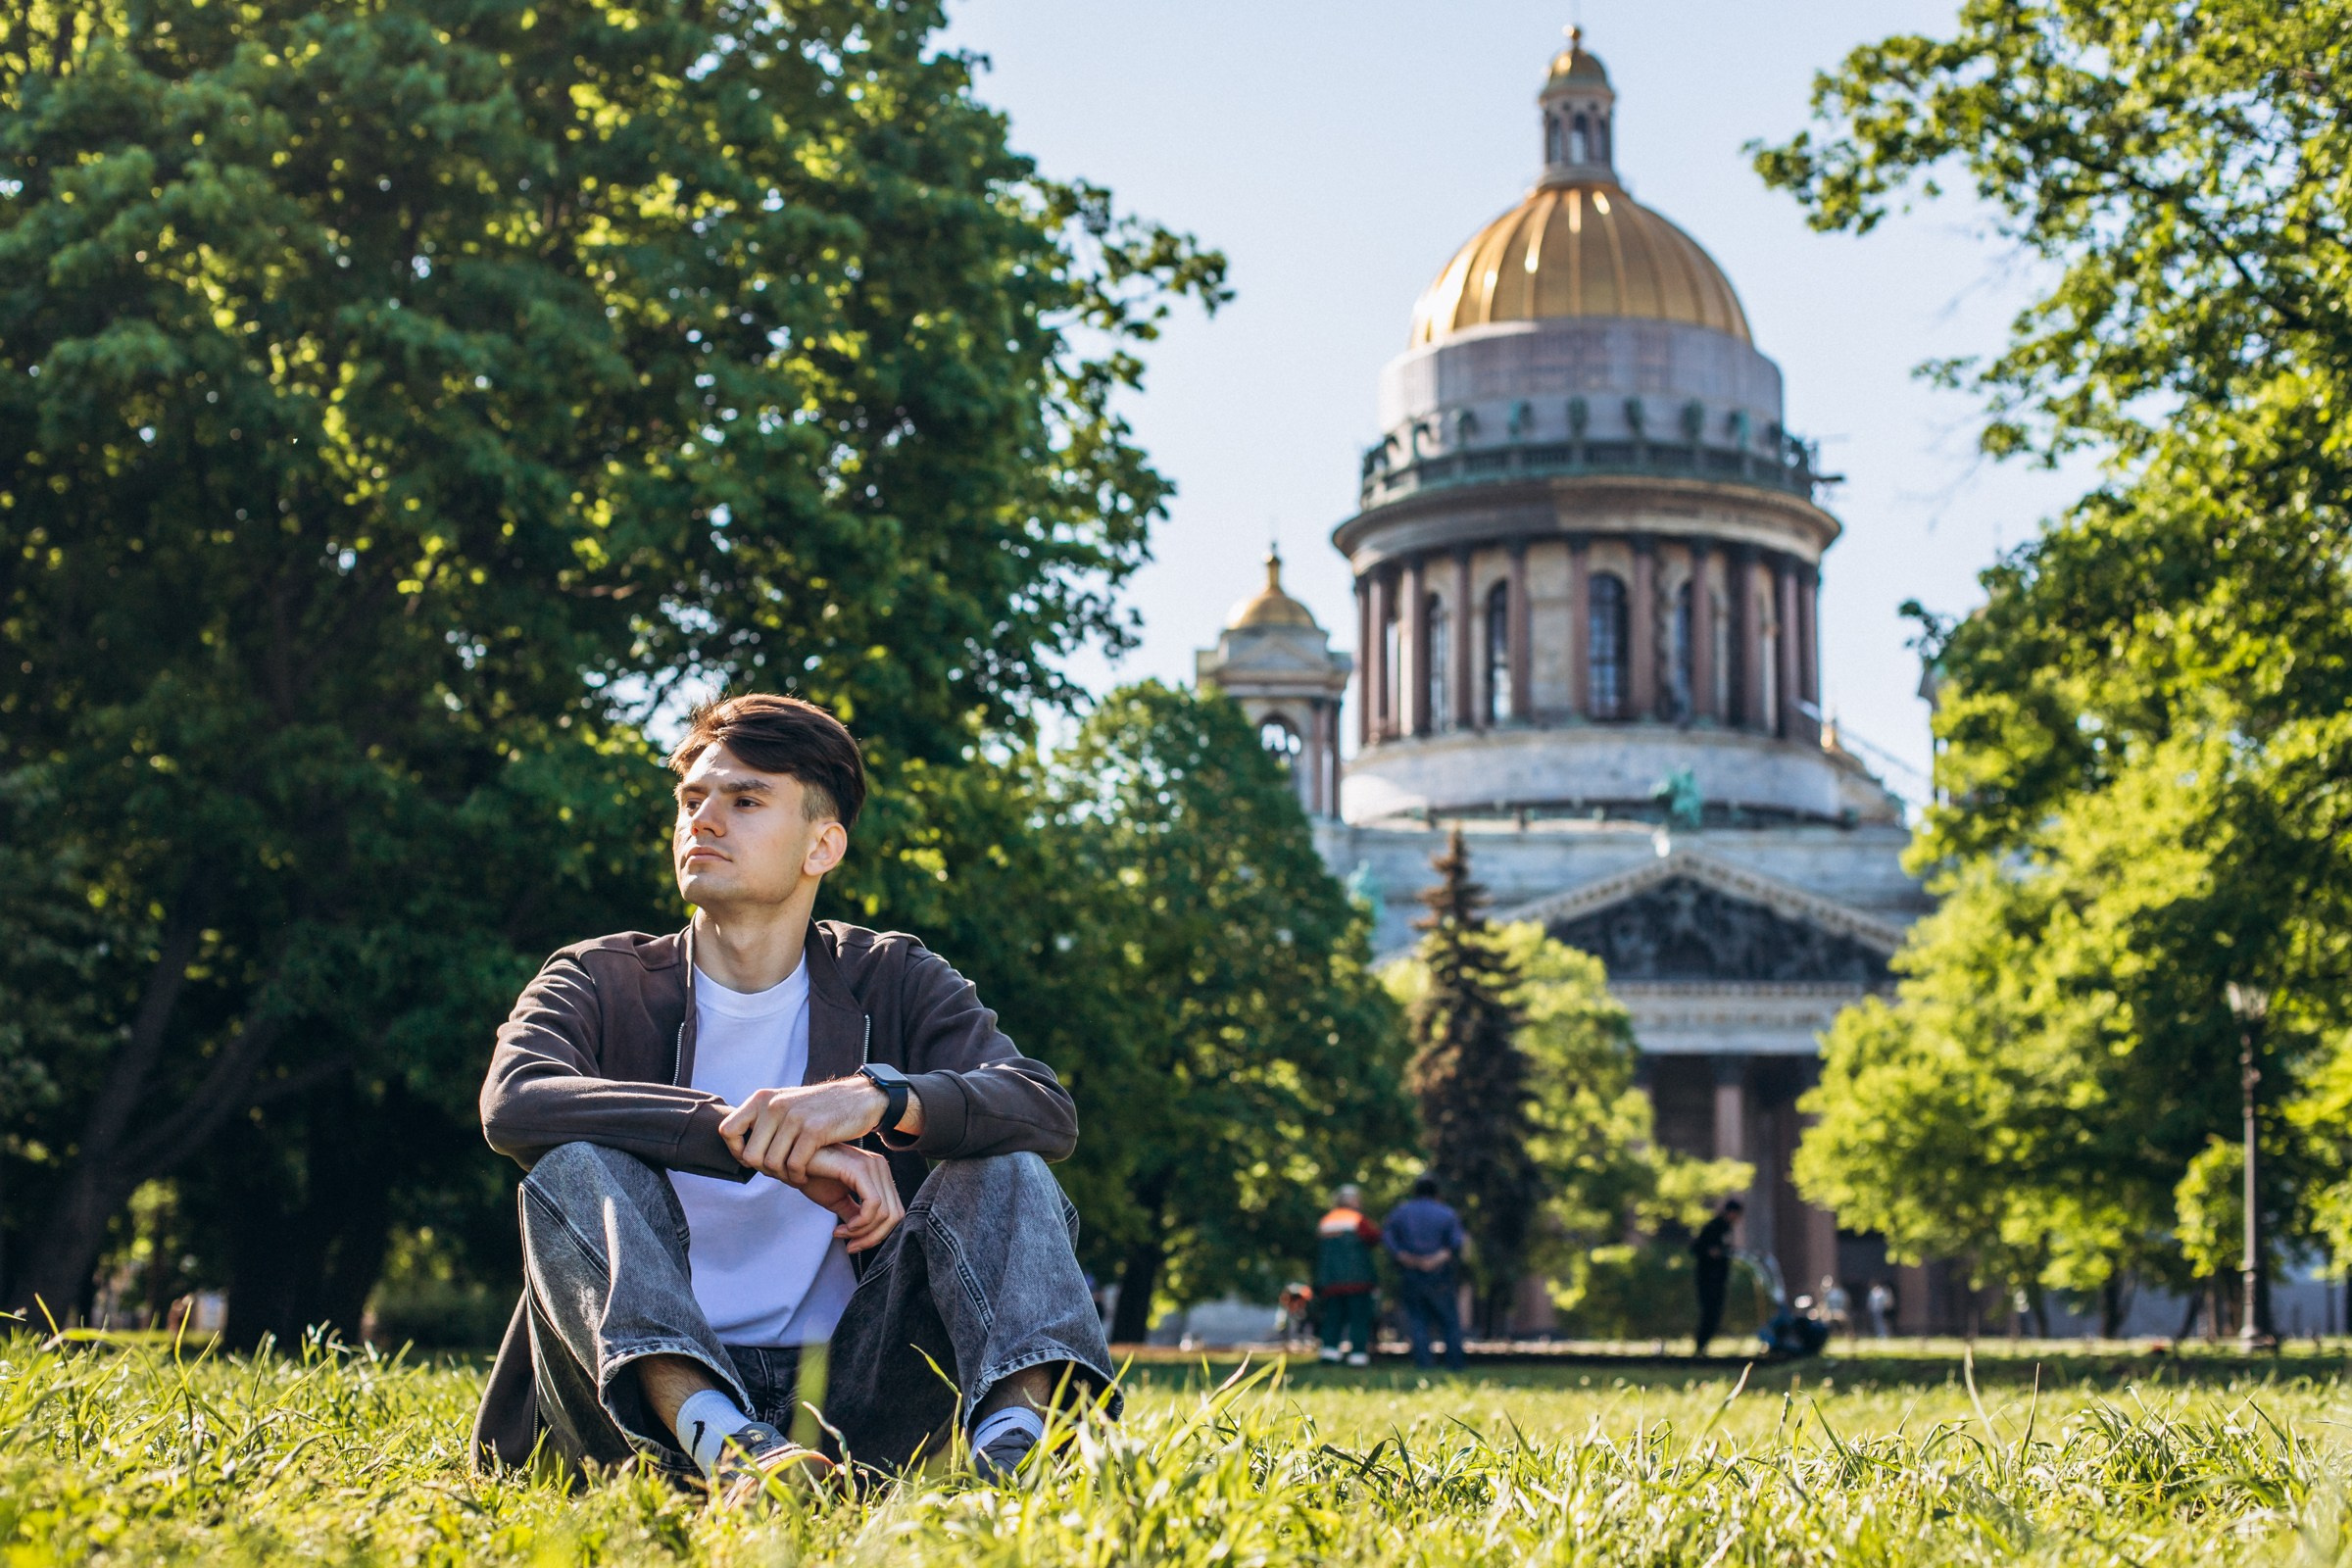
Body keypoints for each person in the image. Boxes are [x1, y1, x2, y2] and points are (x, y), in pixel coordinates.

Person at [468, 695, 1116, 1500]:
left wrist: (877, 1101)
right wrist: (751, 1140)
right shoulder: (595, 978)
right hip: (646, 1412)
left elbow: (1041, 1107)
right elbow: (516, 1102)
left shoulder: (897, 976)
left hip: (861, 1397)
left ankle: (1014, 1461)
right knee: (574, 1165)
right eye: (691, 799)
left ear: (823, 844)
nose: (703, 820)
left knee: (1008, 1170)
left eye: (744, 801)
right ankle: (728, 1445)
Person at [1383, 1176, 1468, 1371]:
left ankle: (1423, 1364)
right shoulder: (1447, 1213)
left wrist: (1405, 1257)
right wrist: (1435, 1259)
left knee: (1417, 1320)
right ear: (1437, 1193)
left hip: (1411, 1273)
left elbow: (1388, 1238)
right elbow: (1456, 1243)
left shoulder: (1401, 1212)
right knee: (1449, 1321)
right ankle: (1455, 1364)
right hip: (1440, 1274)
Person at [1312, 1184, 1383, 1366]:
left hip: (1330, 1282)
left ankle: (1329, 1355)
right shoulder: (1358, 1220)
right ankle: (1357, 1356)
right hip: (1358, 1280)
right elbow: (1375, 1238)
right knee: (1359, 1319)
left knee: (1332, 1319)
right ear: (1354, 1200)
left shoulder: (1325, 1222)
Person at [1690, 1198, 1743, 1357]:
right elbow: (1696, 1248)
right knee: (1709, 1311)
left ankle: (1703, 1345)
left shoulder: (1727, 1229)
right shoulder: (1713, 1227)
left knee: (1716, 1312)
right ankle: (1700, 1345)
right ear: (1731, 1213)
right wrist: (1710, 1252)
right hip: (1708, 1278)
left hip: (1719, 1278)